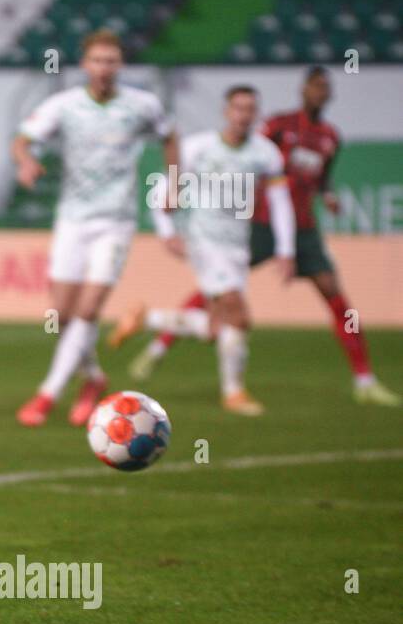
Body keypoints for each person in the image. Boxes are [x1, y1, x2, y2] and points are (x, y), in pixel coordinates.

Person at [127, 67, 399, 407]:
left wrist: (325, 196)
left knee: (331, 295)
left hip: (302, 230)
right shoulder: (276, 129)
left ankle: (365, 379)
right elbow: (173, 183)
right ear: (303, 91)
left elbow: (315, 180)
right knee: (227, 307)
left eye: (325, 88)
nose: (320, 93)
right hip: (254, 227)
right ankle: (170, 352)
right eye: (315, 87)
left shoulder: (329, 137)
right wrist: (171, 223)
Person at [11, 30, 177, 427]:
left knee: (87, 309)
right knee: (63, 315)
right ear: (85, 65)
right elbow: (22, 139)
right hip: (72, 219)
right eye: (97, 61)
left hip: (115, 221)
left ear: (120, 65)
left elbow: (170, 137)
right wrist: (26, 161)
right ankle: (94, 379)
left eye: (111, 61)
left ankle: (46, 394)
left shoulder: (142, 105)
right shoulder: (64, 105)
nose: (104, 68)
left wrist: (174, 181)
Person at [109, 86, 295, 415]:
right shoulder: (198, 148)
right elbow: (164, 191)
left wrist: (286, 248)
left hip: (237, 245)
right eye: (237, 108)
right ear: (226, 112)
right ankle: (234, 393)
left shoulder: (266, 154)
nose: (243, 115)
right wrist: (167, 230)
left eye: (250, 109)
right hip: (205, 241)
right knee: (238, 316)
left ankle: (146, 318)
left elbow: (280, 202)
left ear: (256, 114)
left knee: (215, 328)